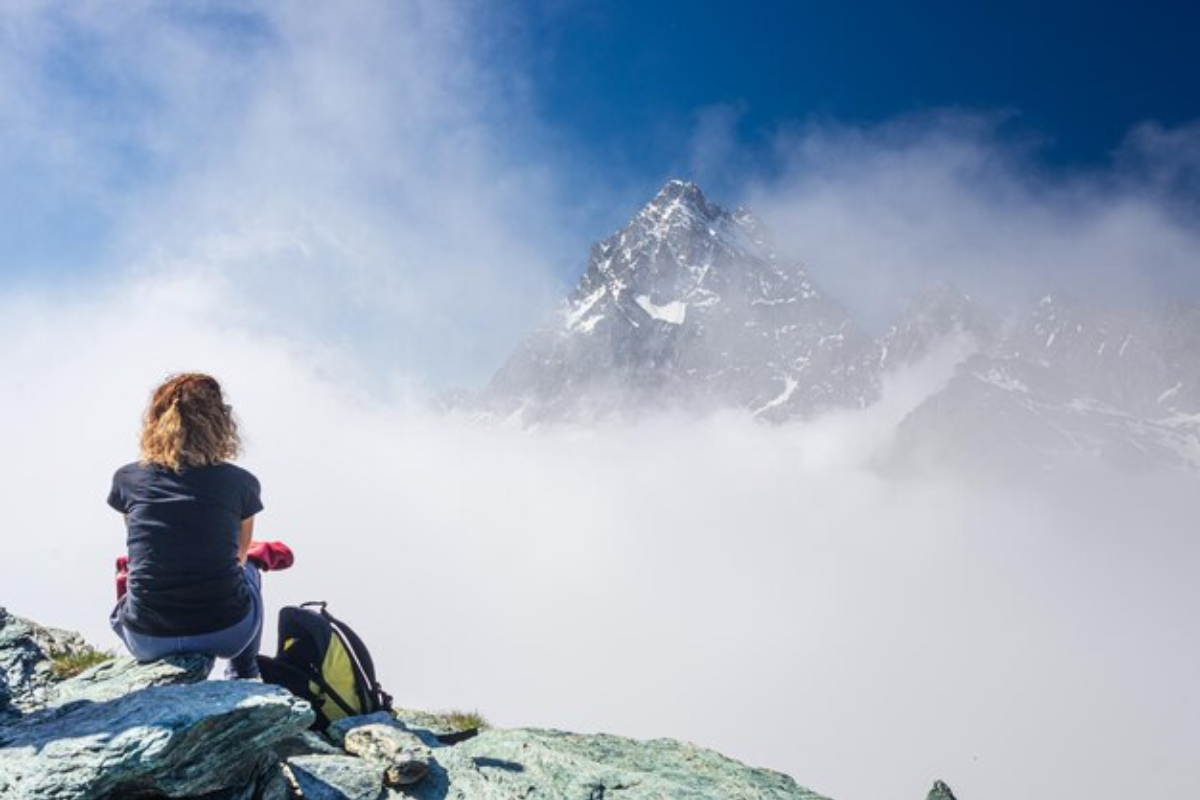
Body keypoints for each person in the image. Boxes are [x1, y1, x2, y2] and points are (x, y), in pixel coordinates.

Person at [108, 373, 268, 680]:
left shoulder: (128, 479)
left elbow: (140, 543)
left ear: (155, 420)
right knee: (252, 571)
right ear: (221, 423)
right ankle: (243, 672)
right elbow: (240, 557)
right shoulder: (242, 483)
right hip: (227, 633)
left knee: (131, 580)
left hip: (147, 639)